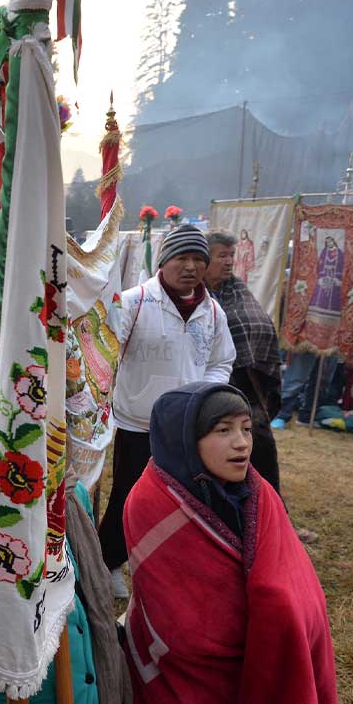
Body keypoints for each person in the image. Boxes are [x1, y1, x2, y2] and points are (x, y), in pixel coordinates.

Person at [123, 383, 338, 704]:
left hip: (267, 650)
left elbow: (294, 582)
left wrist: (283, 616)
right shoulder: (151, 502)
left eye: (247, 429)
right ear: (185, 438)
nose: (242, 443)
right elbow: (182, 626)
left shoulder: (260, 492)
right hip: (191, 671)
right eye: (223, 430)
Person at [0, 414, 133, 704]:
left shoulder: (71, 495)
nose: (40, 468)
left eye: (51, 449)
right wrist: (12, 600)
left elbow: (88, 590)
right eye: (24, 455)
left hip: (83, 691)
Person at [99, 223, 236, 597]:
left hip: (187, 427)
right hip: (138, 424)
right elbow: (105, 353)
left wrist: (201, 394)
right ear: (164, 260)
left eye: (198, 259)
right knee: (128, 497)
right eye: (182, 258)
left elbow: (222, 360)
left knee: (181, 501)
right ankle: (109, 561)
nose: (190, 267)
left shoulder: (212, 311)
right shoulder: (134, 302)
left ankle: (164, 566)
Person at [205, 231, 283, 492]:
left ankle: (270, 504)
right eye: (222, 256)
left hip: (244, 379)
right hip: (202, 379)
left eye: (231, 255)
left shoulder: (236, 289)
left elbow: (258, 325)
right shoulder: (193, 292)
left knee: (259, 439)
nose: (229, 261)